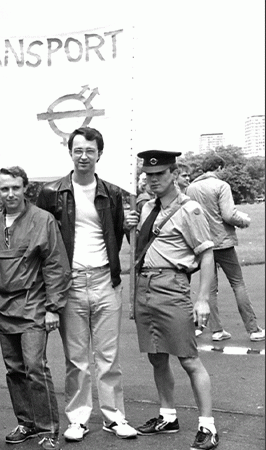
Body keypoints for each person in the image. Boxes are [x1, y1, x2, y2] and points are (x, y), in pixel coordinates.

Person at [36, 127, 137, 442]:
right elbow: (42, 241)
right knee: (76, 358)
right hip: (71, 284)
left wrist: (130, 225)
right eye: (78, 150)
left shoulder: (114, 193)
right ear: (70, 153)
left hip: (106, 279)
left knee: (108, 356)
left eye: (89, 151)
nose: (83, 156)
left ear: (99, 154)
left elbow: (125, 237)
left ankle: (113, 417)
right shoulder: (51, 193)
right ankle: (78, 418)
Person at [126, 150, 219, 450]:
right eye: (148, 175)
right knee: (156, 355)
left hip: (172, 285)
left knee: (189, 358)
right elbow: (141, 250)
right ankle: (168, 416)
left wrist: (202, 299)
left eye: (159, 174)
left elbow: (206, 254)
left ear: (174, 174)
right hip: (145, 286)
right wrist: (131, 229)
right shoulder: (146, 208)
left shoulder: (189, 209)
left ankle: (208, 426)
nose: (152, 180)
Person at [0, 166, 70, 450]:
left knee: (35, 367)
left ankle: (49, 429)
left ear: (26, 188)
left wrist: (53, 308)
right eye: (4, 188)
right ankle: (26, 422)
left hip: (33, 305)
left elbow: (56, 265)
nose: (10, 194)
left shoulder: (42, 219)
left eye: (15, 187)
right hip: (2, 306)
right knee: (13, 369)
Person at [186, 155, 264, 342]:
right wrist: (244, 220)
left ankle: (217, 330)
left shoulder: (191, 188)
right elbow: (229, 215)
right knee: (237, 283)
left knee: (209, 288)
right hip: (222, 242)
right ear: (219, 167)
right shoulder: (221, 186)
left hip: (203, 243)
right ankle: (253, 329)